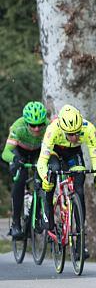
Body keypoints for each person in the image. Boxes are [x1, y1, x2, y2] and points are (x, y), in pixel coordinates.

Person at [37, 105, 96, 259]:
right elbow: (42, 161)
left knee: (79, 189)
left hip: (74, 153)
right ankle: (48, 213)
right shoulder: (52, 129)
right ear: (62, 128)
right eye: (70, 134)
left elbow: (95, 156)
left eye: (76, 133)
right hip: (55, 152)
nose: (74, 137)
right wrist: (44, 178)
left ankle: (80, 243)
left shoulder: (89, 128)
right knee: (51, 173)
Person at [2, 102, 48, 238]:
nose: (37, 129)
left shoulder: (49, 126)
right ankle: (16, 223)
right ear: (26, 122)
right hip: (20, 153)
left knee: (43, 180)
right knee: (20, 180)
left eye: (40, 124)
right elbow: (5, 153)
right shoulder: (18, 127)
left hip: (38, 152)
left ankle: (37, 215)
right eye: (33, 125)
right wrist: (15, 159)